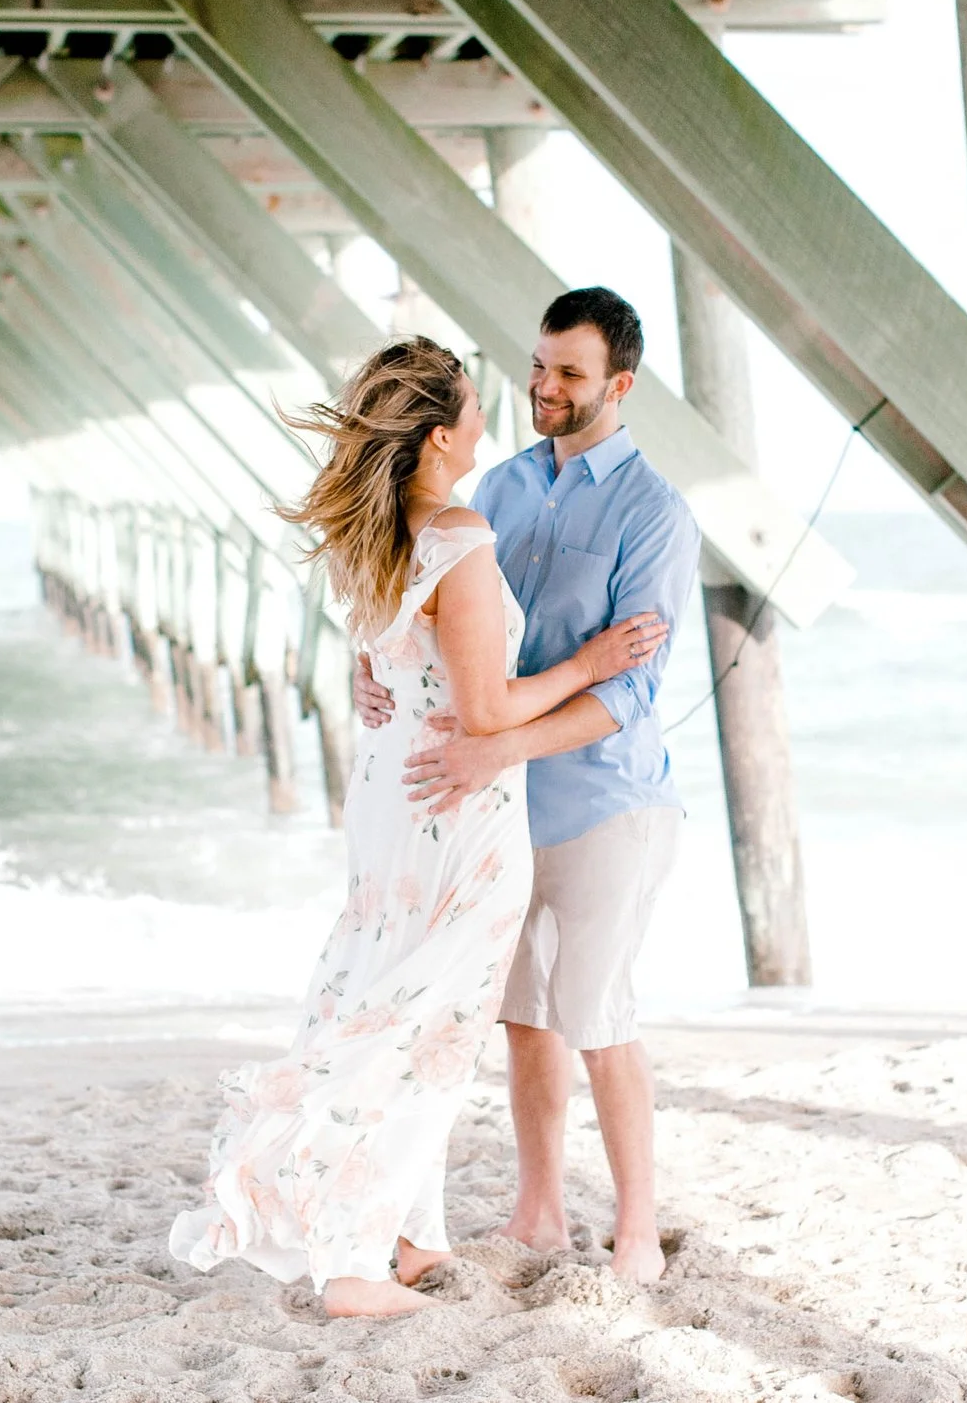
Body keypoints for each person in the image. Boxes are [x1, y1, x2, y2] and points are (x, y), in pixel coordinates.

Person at [167, 336, 667, 1318]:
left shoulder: (375, 534)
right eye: (476, 407)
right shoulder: (459, 537)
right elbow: (489, 710)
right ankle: (354, 1261)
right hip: (460, 817)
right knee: (425, 1031)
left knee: (388, 999)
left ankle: (407, 1237)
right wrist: (592, 661)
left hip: (391, 803)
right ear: (442, 437)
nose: (495, 414)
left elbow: (392, 671)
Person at [353, 287, 699, 1285]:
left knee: (597, 1010)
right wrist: (368, 665)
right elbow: (419, 606)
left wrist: (498, 748)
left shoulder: (654, 514)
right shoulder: (492, 490)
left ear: (619, 386)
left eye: (569, 374)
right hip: (497, 810)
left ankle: (637, 1230)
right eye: (538, 365)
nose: (543, 387)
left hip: (604, 804)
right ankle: (538, 1212)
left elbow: (624, 698)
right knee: (522, 1014)